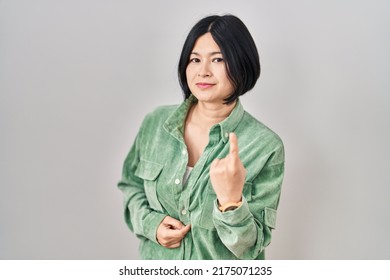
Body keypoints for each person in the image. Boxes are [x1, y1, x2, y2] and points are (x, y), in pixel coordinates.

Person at [117, 14, 285, 260]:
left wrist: (231, 202)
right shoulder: (155, 124)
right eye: (194, 59)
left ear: (242, 64)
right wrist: (152, 223)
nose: (202, 71)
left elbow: (250, 246)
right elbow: (131, 186)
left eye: (218, 59)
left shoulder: (264, 146)